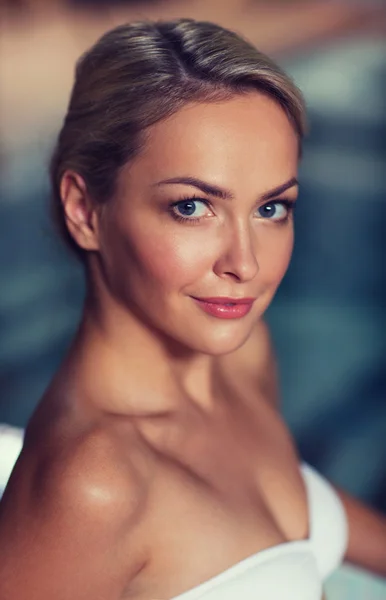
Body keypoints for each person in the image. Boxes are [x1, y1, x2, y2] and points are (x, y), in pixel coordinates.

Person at [0, 18, 384, 600]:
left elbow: (291, 513)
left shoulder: (239, 357)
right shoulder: (94, 486)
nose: (245, 264)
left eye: (272, 208)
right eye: (191, 207)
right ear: (85, 210)